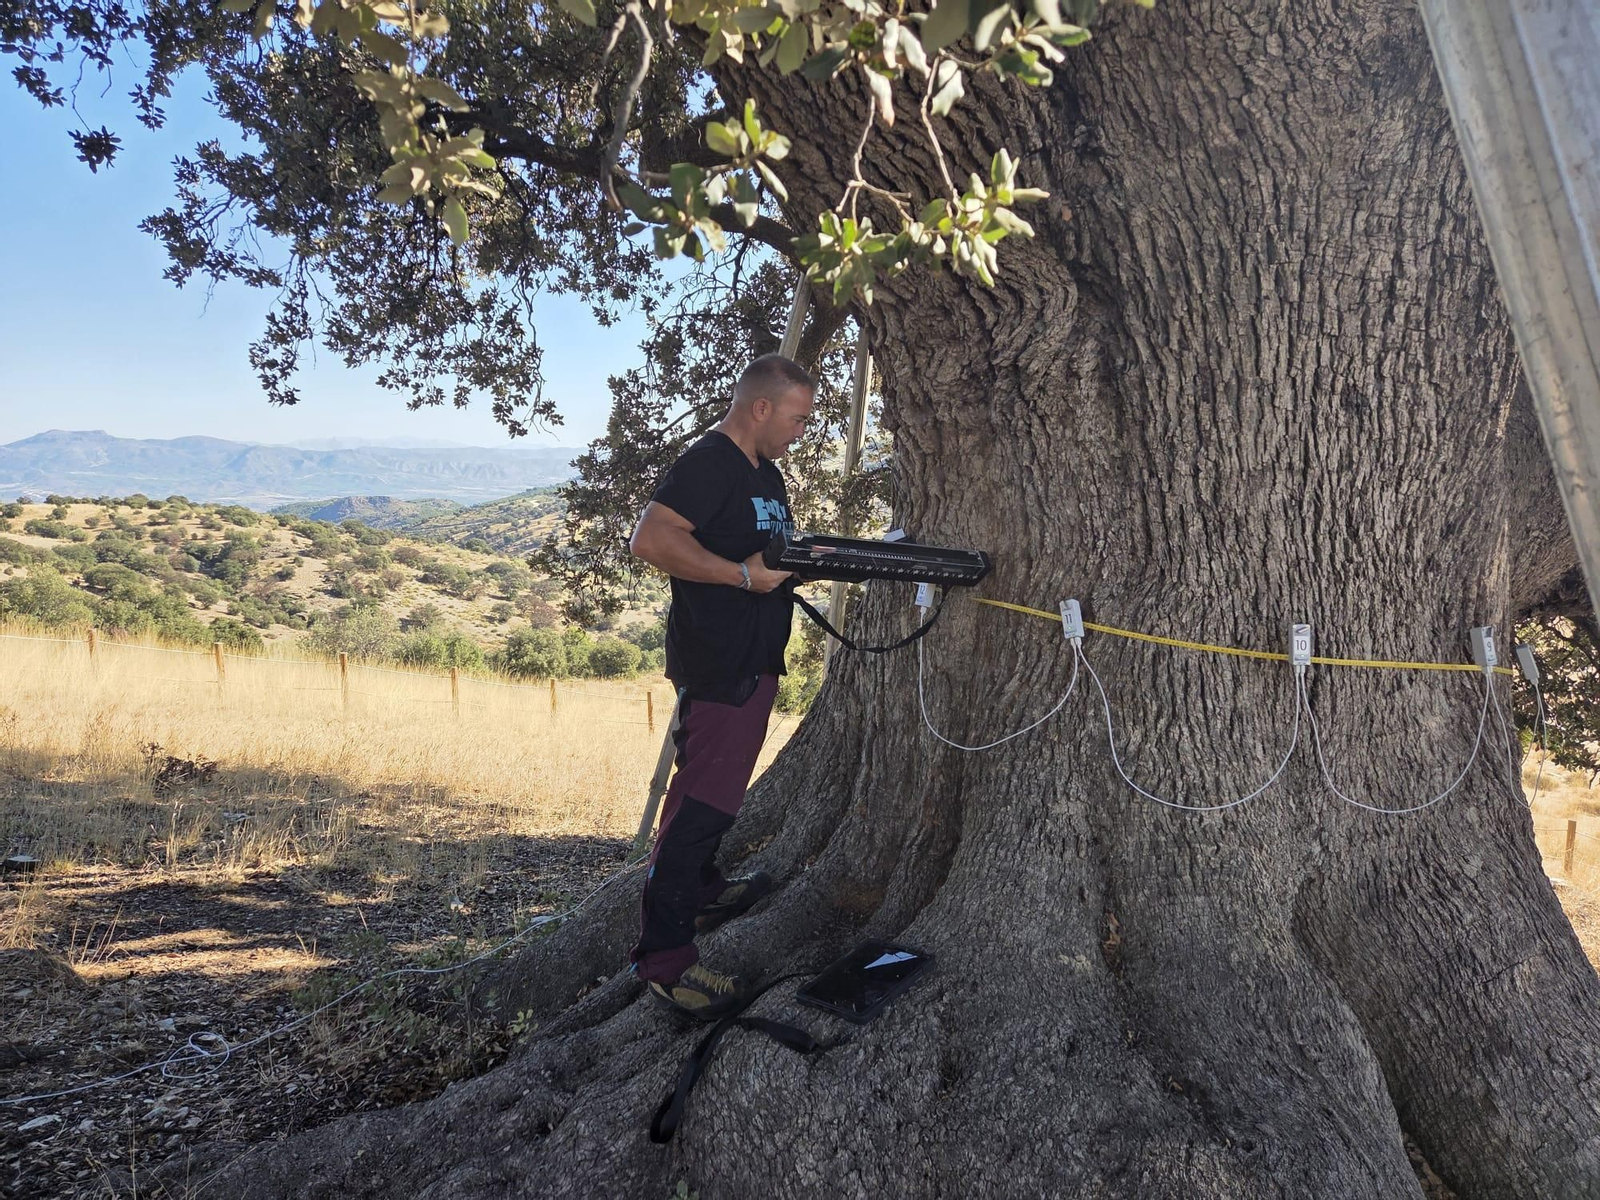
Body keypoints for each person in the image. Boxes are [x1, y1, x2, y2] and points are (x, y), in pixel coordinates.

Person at [625, 353, 815, 1019]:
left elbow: (763, 555)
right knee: (701, 806)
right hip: (720, 662)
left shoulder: (766, 473)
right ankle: (666, 962)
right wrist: (740, 577)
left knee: (714, 796)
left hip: (753, 658)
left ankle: (702, 890)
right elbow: (650, 539)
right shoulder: (709, 462)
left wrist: (797, 562)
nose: (802, 431)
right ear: (760, 407)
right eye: (796, 418)